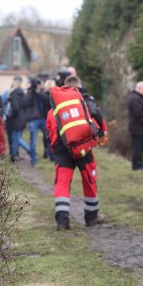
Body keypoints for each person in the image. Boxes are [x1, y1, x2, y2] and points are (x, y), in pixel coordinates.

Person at [46, 75, 108, 231]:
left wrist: (56, 149)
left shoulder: (56, 107)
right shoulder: (85, 102)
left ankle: (62, 220)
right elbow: (97, 117)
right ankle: (92, 217)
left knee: (62, 182)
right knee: (89, 179)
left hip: (62, 148)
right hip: (83, 147)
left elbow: (50, 130)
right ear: (79, 87)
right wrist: (102, 134)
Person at [24, 78, 51, 166]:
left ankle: (51, 156)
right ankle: (33, 160)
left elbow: (47, 101)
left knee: (49, 137)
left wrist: (38, 92)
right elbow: (26, 102)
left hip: (43, 119)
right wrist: (31, 91)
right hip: (33, 120)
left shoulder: (41, 93)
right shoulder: (29, 94)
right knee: (33, 141)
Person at [127, 81, 143, 170]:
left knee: (140, 147)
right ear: (140, 89)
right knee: (138, 147)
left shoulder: (137, 98)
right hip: (138, 128)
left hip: (138, 128)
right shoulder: (136, 99)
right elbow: (138, 113)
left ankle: (139, 164)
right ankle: (137, 165)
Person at [6, 76, 30, 163]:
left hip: (15, 119)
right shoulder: (22, 93)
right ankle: (14, 155)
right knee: (16, 137)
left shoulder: (14, 94)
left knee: (16, 138)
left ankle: (29, 149)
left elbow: (15, 108)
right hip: (22, 118)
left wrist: (10, 115)